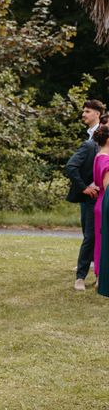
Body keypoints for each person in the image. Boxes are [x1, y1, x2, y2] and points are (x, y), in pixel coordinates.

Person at [66, 99, 104, 291]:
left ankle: (99, 274)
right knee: (90, 234)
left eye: (87, 111)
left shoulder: (100, 142)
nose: (83, 115)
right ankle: (81, 275)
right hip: (92, 196)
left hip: (104, 196)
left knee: (100, 235)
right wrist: (85, 187)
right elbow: (73, 166)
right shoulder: (90, 144)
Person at [93, 123, 109, 291]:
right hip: (106, 202)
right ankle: (102, 279)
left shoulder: (99, 155)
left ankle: (100, 277)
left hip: (101, 201)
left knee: (101, 242)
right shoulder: (106, 159)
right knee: (104, 243)